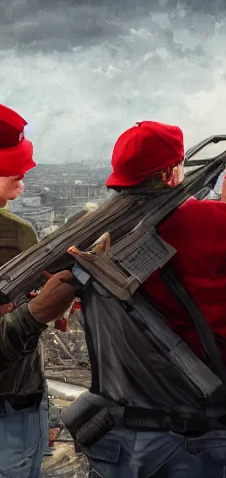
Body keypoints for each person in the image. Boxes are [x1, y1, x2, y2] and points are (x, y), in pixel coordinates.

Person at [77, 121, 226, 477]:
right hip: (209, 444)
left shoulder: (92, 237)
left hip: (124, 444)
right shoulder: (219, 224)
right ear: (174, 173)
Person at [0, 102, 77, 478]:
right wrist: (36, 314)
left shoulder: (20, 232)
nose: (22, 176)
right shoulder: (17, 234)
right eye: (11, 168)